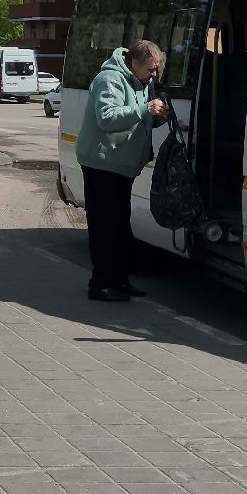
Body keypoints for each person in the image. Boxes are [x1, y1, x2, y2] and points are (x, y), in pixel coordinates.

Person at [75, 39, 169, 302]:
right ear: (134, 63)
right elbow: (107, 119)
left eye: (156, 69)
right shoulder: (109, 79)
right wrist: (144, 108)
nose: (154, 75)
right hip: (101, 163)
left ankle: (118, 280)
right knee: (105, 227)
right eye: (150, 69)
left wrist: (159, 117)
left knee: (119, 226)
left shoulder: (144, 82)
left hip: (122, 165)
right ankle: (100, 284)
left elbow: (139, 122)